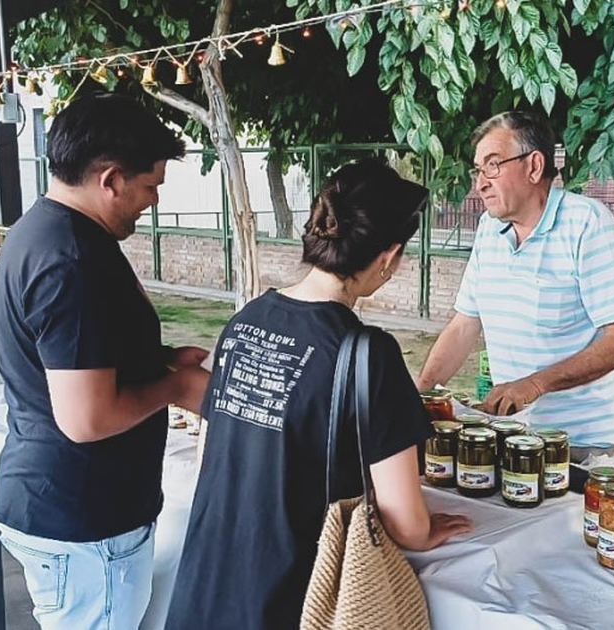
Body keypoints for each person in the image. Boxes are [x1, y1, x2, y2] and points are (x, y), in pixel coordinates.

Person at [167, 159, 472, 629]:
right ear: (389, 258)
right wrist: (426, 532)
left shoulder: (245, 322)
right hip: (292, 597)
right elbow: (405, 522)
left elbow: (216, 448)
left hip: (207, 586)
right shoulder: (368, 355)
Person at [0, 94, 211, 629]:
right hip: (82, 517)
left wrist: (151, 359)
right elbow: (86, 418)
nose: (153, 201)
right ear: (111, 179)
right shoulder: (72, 261)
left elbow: (68, 355)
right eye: (151, 186)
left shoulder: (42, 232)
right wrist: (174, 385)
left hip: (58, 500)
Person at [418, 111, 614, 447]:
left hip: (586, 443)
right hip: (513, 433)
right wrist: (419, 393)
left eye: (493, 166)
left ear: (534, 166)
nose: (480, 183)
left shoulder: (587, 224)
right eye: (478, 170)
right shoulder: (488, 229)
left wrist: (536, 383)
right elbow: (464, 324)